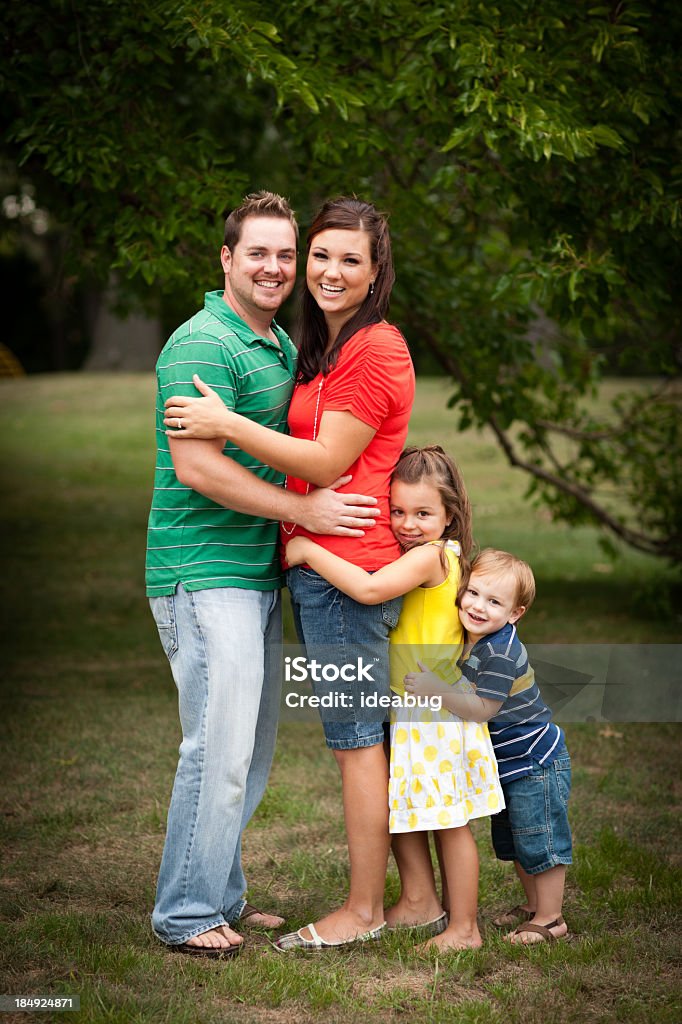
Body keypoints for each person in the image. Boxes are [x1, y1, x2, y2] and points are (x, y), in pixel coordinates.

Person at [163, 196, 416, 950]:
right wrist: (301, 528)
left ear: (376, 275)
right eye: (320, 256)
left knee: (349, 741)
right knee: (335, 738)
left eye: (349, 259)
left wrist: (231, 426)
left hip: (341, 570)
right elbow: (209, 467)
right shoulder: (294, 345)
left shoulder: (363, 348)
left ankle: (362, 908)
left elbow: (331, 461)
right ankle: (198, 906)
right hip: (285, 566)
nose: (324, 271)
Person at [285, 446, 505, 951]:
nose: (407, 524)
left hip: (434, 715)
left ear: (451, 516)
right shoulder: (428, 551)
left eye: (423, 514)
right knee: (407, 806)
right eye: (398, 511)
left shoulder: (431, 556)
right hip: (413, 710)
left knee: (448, 822)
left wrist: (308, 552)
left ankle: (464, 929)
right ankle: (417, 903)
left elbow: (366, 590)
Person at [404, 548, 572, 944]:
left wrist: (437, 691)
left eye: (494, 602)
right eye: (473, 593)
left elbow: (481, 709)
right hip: (510, 760)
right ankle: (533, 906)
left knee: (540, 839)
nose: (479, 606)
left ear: (515, 613)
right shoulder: (477, 636)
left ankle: (551, 919)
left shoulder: (498, 651)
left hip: (533, 760)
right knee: (516, 839)